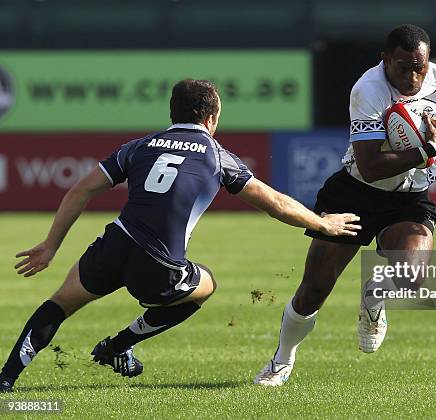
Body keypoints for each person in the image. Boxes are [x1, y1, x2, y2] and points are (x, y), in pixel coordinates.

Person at [0, 79, 361, 393]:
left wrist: (50, 246)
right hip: (158, 264)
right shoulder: (217, 155)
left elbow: (79, 190)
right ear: (211, 119)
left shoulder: (140, 146)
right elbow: (276, 204)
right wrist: (321, 223)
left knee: (59, 304)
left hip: (115, 243)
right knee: (206, 285)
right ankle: (118, 346)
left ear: (173, 113)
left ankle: (6, 378)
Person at [254, 24, 436, 386]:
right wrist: (429, 149)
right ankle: (281, 361)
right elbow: (370, 166)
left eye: (419, 67)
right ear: (385, 60)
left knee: (411, 275)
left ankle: (373, 297)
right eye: (402, 67)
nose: (412, 76)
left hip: (409, 198)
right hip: (355, 193)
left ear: (428, 62)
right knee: (314, 290)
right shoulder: (368, 89)